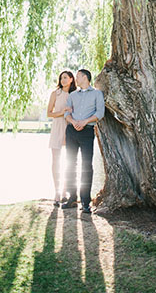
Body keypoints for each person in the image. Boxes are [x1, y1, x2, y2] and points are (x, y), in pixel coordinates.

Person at [61, 68, 105, 214]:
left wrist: (85, 121)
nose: (76, 79)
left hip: (87, 132)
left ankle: (85, 201)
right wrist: (73, 122)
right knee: (70, 164)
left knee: (86, 165)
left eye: (78, 76)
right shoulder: (72, 95)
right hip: (72, 131)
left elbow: (100, 113)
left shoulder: (97, 94)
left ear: (85, 77)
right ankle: (71, 197)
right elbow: (66, 113)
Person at [46, 70, 77, 206]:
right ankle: (57, 192)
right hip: (57, 128)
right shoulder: (55, 93)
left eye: (65, 78)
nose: (63, 80)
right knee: (56, 161)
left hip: (69, 128)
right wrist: (61, 112)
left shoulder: (75, 95)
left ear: (71, 79)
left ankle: (65, 191)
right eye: (61, 78)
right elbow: (49, 113)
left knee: (69, 161)